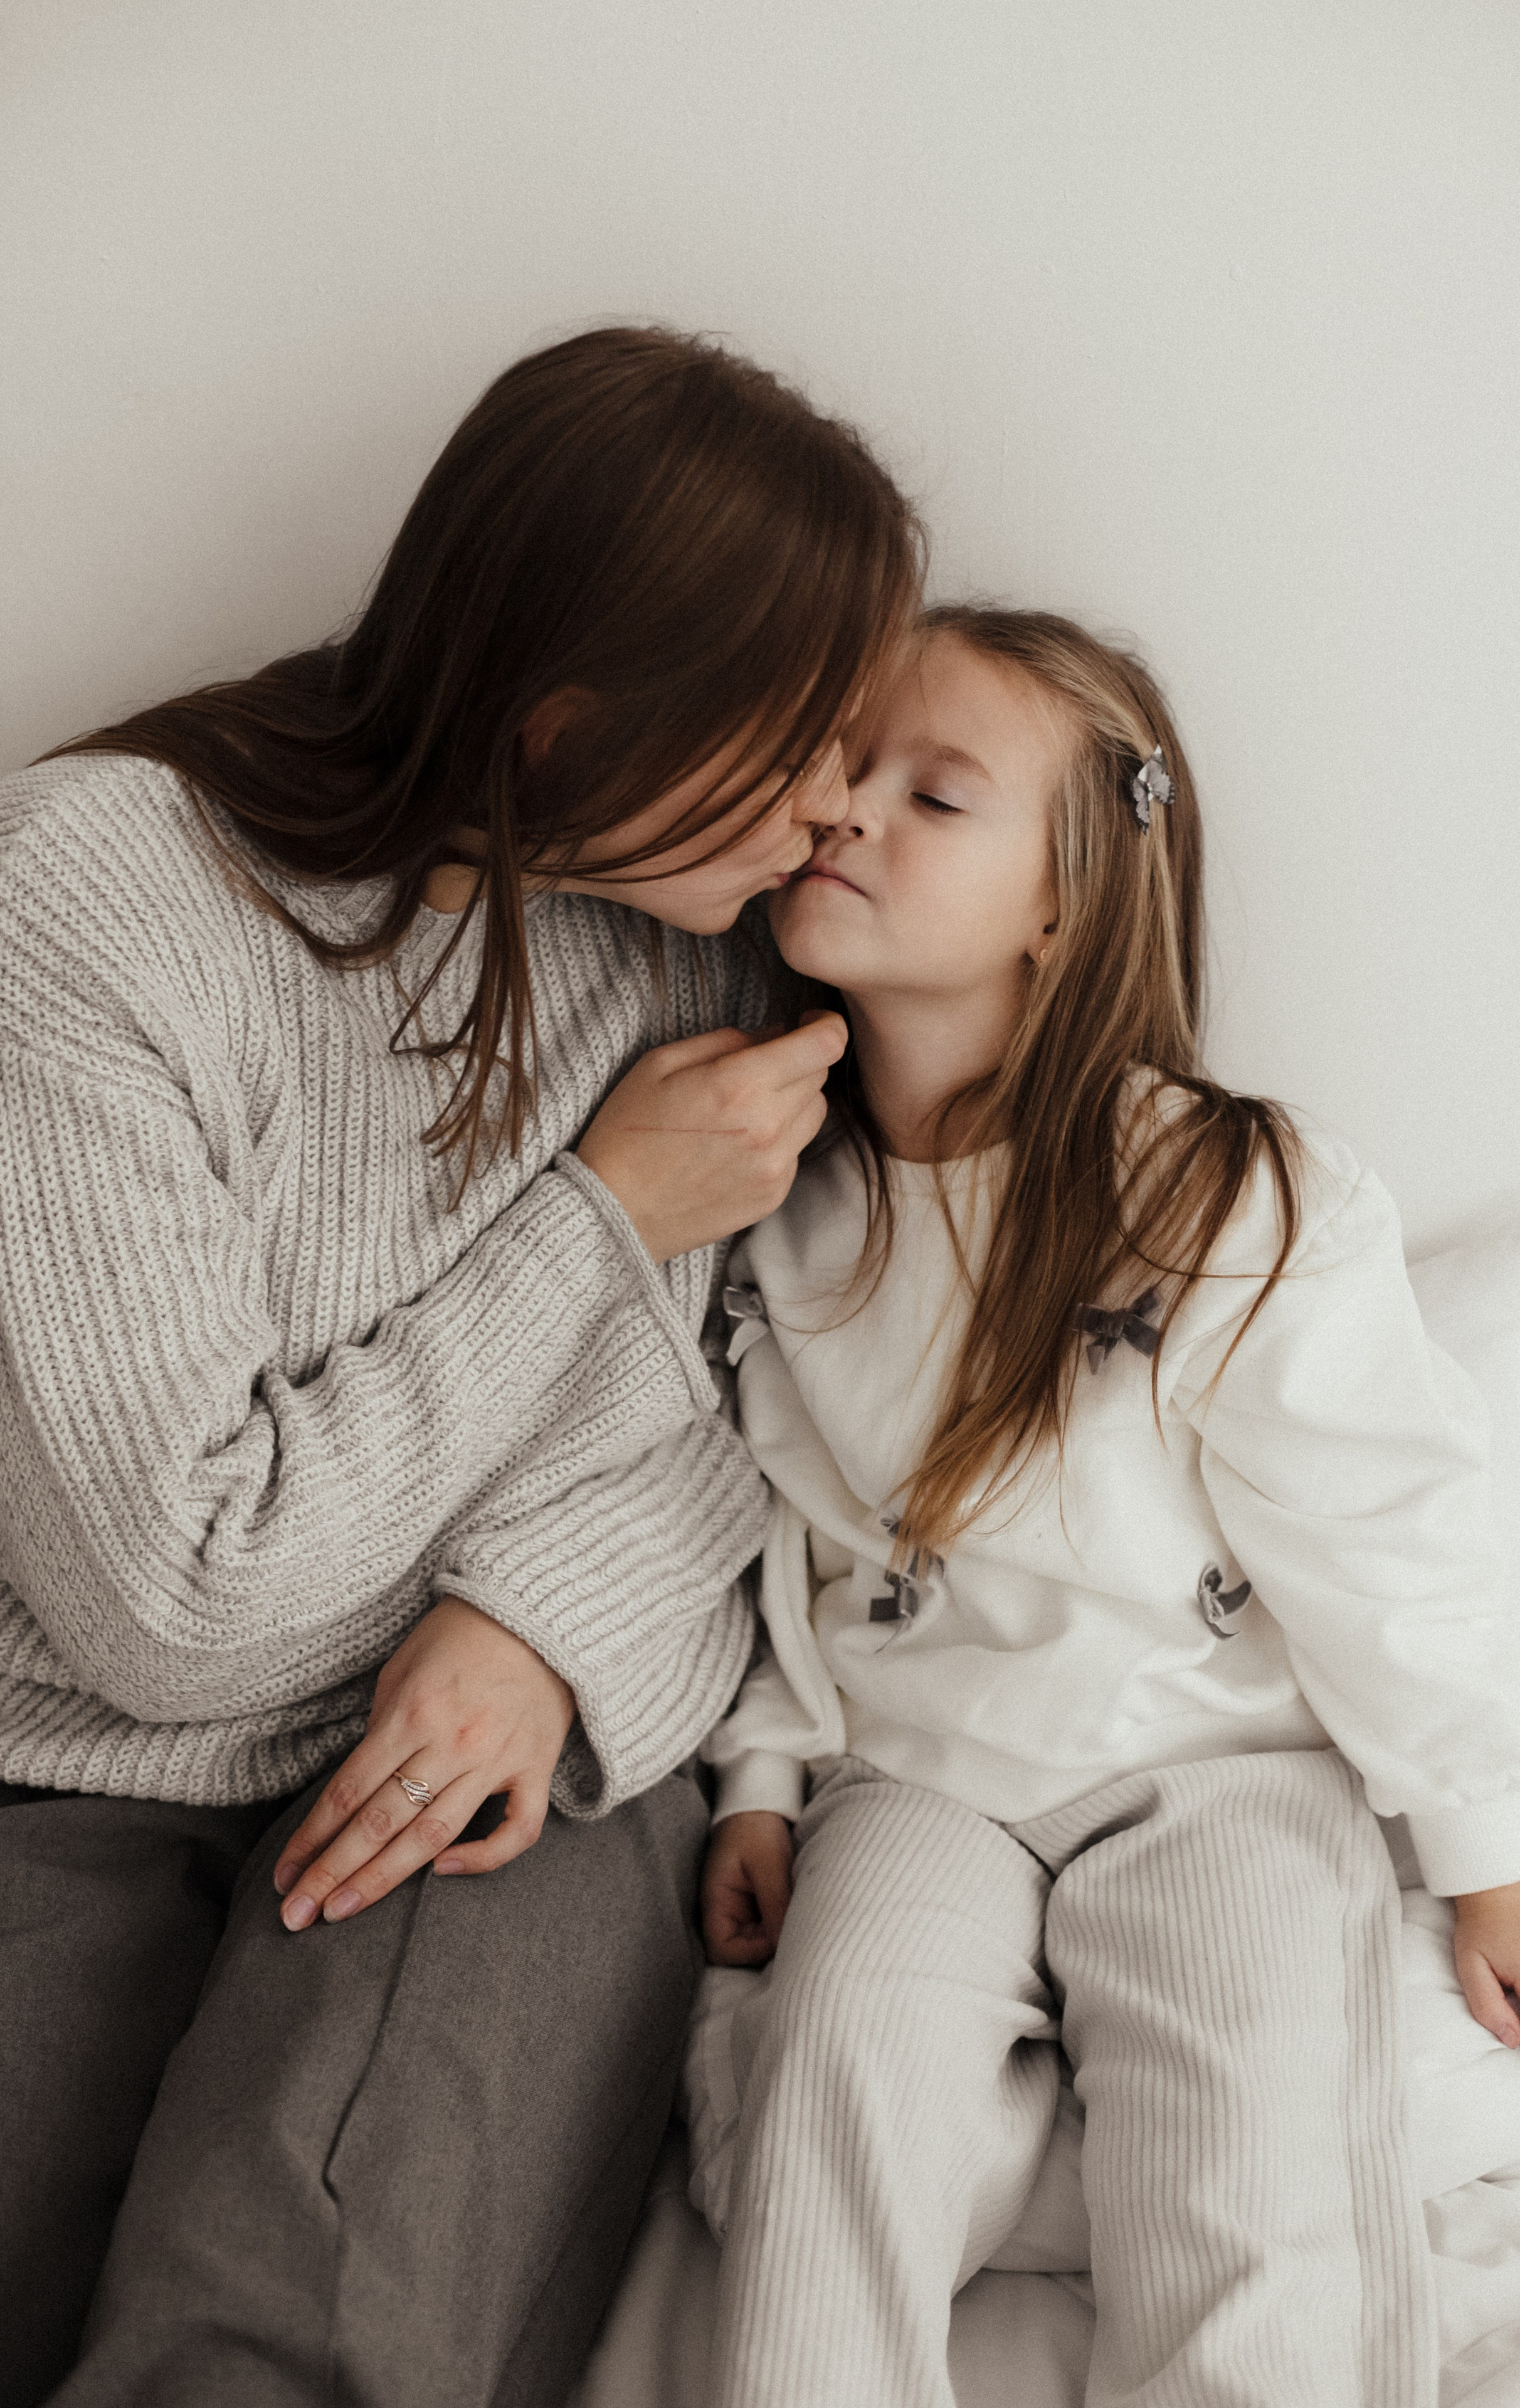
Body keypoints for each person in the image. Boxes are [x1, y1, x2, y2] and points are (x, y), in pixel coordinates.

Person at [0, 325, 923, 2407]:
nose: (839, 809)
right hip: (87, 1767)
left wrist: (541, 1624)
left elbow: (742, 1423)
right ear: (574, 727)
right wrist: (596, 1219)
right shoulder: (89, 906)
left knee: (294, 2321)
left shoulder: (719, 946)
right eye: (795, 745)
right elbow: (180, 1604)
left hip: (527, 1763)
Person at [690, 606, 1520, 2408]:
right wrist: (768, 1775)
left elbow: (1384, 1531)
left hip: (1218, 1773)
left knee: (1245, 2150)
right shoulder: (779, 1202)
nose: (848, 812)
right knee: (830, 2084)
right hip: (927, 1778)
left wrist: (1495, 1864)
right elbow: (775, 1536)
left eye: (931, 794)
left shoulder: (1218, 1189)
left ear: (1062, 901)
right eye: (844, 767)